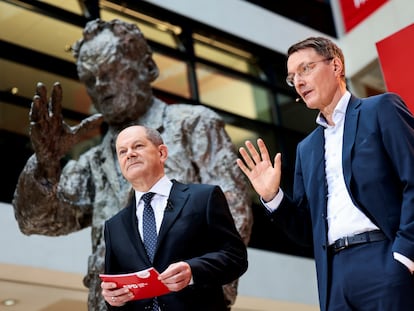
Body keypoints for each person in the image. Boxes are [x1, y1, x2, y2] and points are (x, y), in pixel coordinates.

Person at [12, 19, 252, 311]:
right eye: (90, 79)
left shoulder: (193, 125)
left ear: (147, 67)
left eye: (111, 71)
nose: (101, 86)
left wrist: (203, 290)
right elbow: (35, 221)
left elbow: (234, 212)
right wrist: (47, 164)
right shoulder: (94, 159)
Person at [237, 36, 414, 311]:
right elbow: (307, 230)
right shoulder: (306, 149)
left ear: (336, 66)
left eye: (305, 69)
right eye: (292, 77)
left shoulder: (380, 110)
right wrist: (273, 197)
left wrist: (405, 255)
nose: (298, 81)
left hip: (384, 258)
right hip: (334, 276)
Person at [101, 124, 248, 310]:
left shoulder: (203, 197)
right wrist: (113, 299)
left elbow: (235, 257)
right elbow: (116, 287)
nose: (129, 154)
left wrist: (192, 270)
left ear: (162, 153)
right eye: (122, 151)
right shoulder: (114, 226)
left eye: (137, 146)